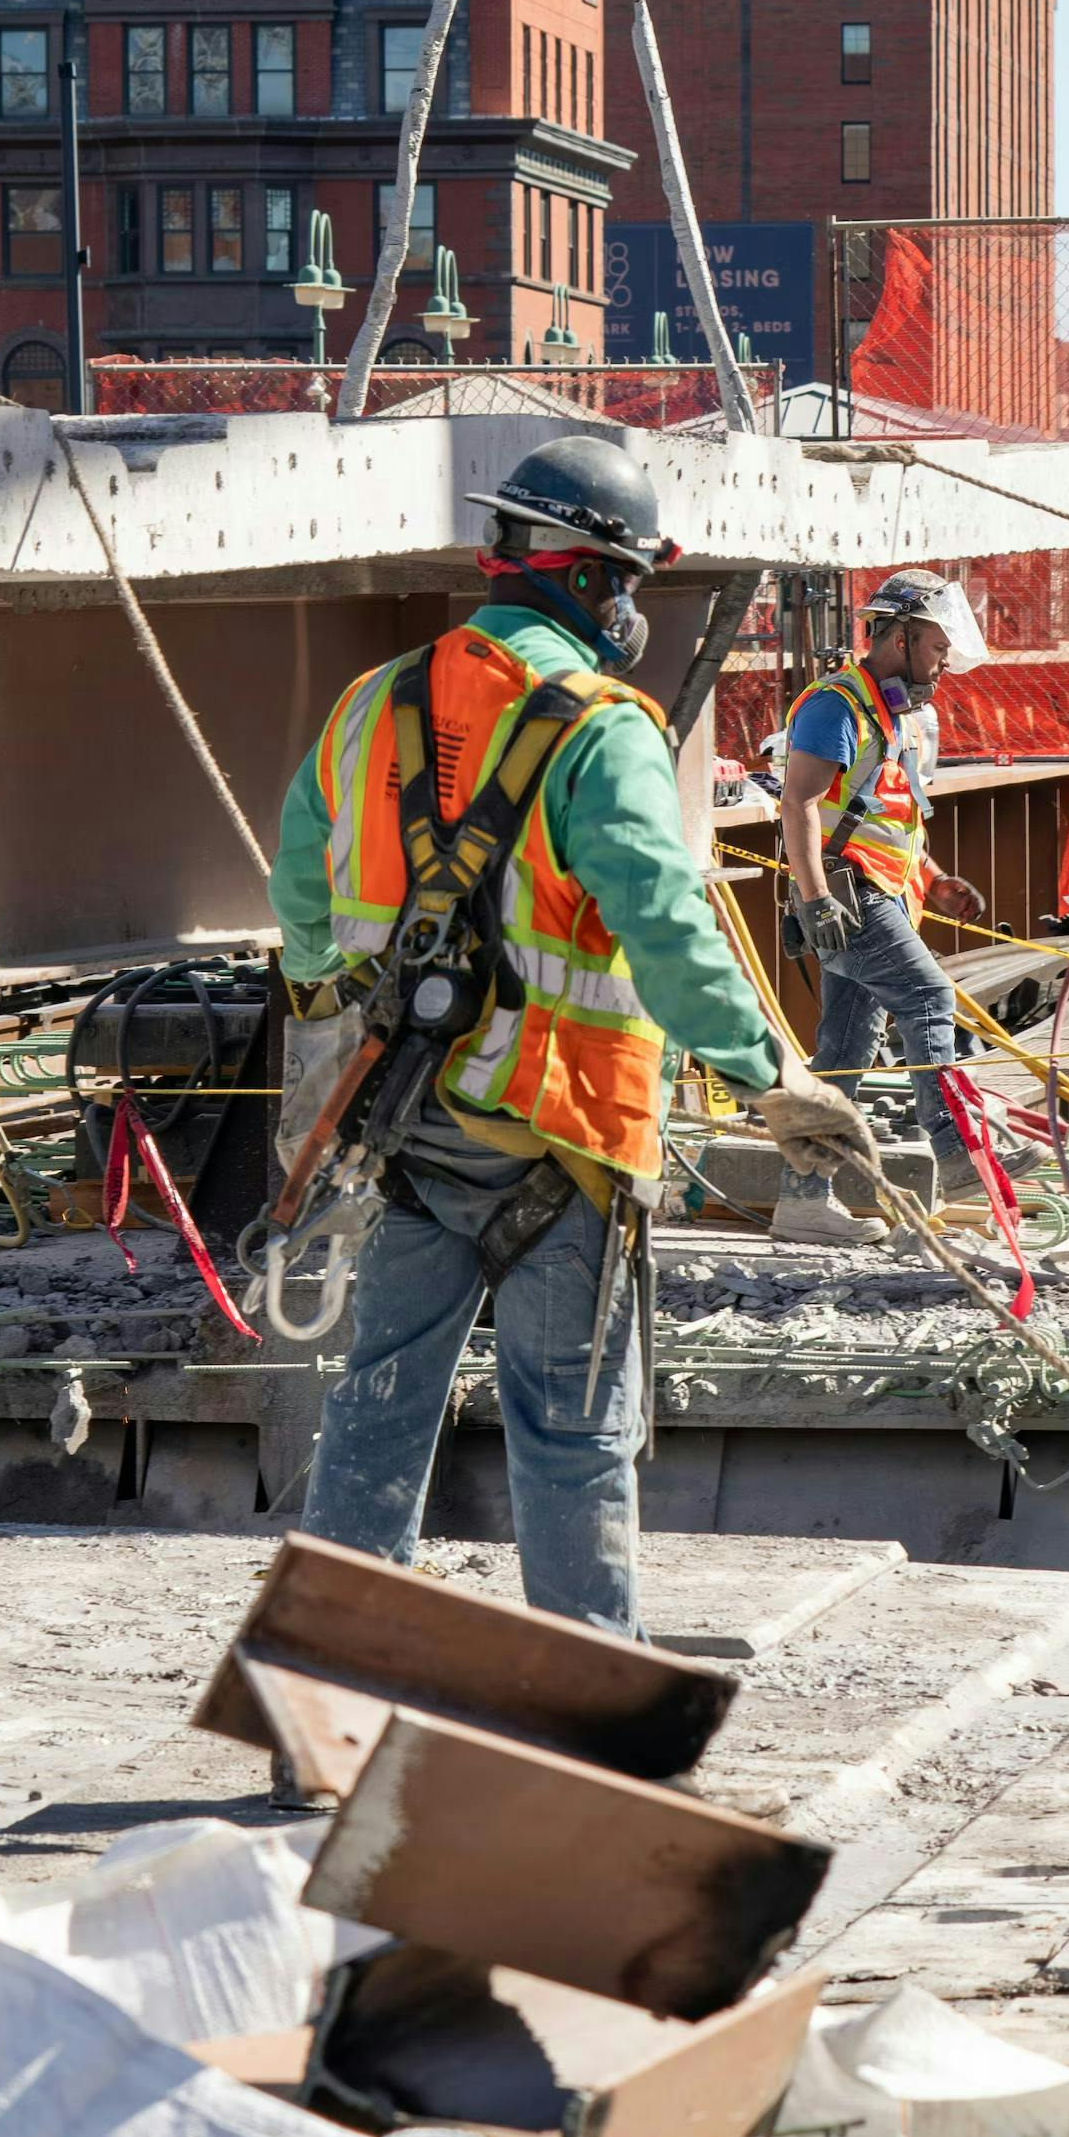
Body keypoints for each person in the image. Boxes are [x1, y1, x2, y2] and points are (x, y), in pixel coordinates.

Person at [269, 434, 876, 1635]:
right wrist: (772, 1079)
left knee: (378, 1407)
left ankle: (319, 1716)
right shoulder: (603, 727)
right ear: (596, 580)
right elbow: (664, 923)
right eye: (632, 583)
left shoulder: (371, 703)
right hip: (562, 1136)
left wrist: (334, 1003)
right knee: (573, 1427)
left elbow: (301, 891)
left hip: (409, 1119)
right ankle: (581, 1712)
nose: (632, 607)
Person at [775, 569, 985, 1246]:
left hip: (882, 888)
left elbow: (881, 815)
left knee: (843, 1048)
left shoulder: (899, 715)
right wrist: (813, 899)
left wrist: (934, 875)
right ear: (899, 637)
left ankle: (804, 1198)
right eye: (936, 645)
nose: (944, 659)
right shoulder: (838, 704)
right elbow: (800, 803)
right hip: (846, 894)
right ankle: (958, 1155)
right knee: (928, 996)